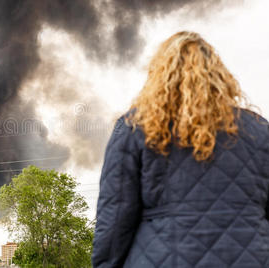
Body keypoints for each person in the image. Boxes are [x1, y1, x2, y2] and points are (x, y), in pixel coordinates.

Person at [92, 31, 269, 267]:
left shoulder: (134, 128)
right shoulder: (259, 130)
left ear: (159, 75)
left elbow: (114, 220)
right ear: (219, 76)